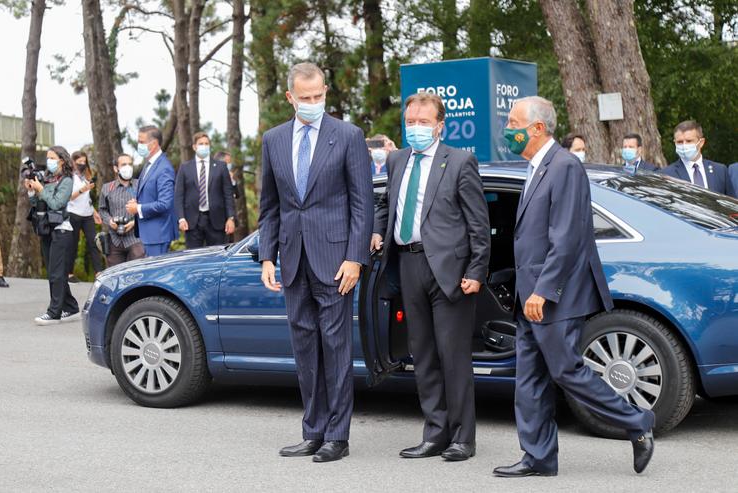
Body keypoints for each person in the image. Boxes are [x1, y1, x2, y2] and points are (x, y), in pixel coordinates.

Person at [492, 96, 655, 478]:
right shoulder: (536, 167)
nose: (508, 130)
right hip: (530, 293)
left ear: (536, 128)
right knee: (529, 377)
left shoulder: (563, 166)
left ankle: (637, 421)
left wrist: (542, 291)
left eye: (513, 123)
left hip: (552, 295)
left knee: (566, 370)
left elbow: (565, 238)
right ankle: (539, 458)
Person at [258, 62, 373, 463]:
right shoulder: (273, 140)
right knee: (304, 348)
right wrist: (266, 256)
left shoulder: (348, 136)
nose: (313, 103)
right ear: (290, 97)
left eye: (318, 96)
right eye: (305, 98)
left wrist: (355, 257)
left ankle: (337, 437)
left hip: (336, 261)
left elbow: (362, 204)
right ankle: (313, 431)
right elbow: (269, 206)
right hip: (292, 260)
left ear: (326, 91)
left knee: (336, 347)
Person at [371, 93, 490, 461]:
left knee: (452, 357)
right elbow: (385, 204)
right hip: (408, 265)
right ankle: (434, 433)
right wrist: (378, 230)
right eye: (411, 122)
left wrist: (476, 271)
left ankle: (462, 439)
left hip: (450, 271)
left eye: (424, 122)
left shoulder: (459, 161)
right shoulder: (396, 160)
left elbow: (478, 223)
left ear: (441, 125)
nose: (416, 129)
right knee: (421, 355)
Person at [25, 146, 79, 325]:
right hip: (47, 229)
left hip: (62, 230)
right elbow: (37, 203)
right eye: (48, 157)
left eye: (52, 157)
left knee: (56, 273)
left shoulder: (67, 180)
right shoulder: (47, 178)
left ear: (62, 160)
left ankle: (54, 312)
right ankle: (70, 307)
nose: (49, 161)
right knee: (56, 273)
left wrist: (41, 190)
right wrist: (32, 190)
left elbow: (56, 203)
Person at [175, 132, 235, 248]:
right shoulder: (185, 168)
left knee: (217, 256)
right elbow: (179, 195)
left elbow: (228, 194)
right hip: (192, 222)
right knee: (194, 258)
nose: (204, 146)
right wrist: (181, 218)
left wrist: (230, 218)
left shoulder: (221, 167)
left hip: (216, 221)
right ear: (194, 147)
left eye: (206, 144)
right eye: (201, 143)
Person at [125, 125, 177, 257]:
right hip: (149, 233)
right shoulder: (149, 164)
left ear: (153, 144)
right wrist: (137, 202)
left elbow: (165, 203)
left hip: (158, 234)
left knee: (157, 276)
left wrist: (139, 208)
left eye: (141, 142)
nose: (138, 145)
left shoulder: (164, 168)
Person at [660, 120, 731, 194]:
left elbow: (731, 203)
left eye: (689, 141)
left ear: (701, 143)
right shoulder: (666, 175)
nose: (684, 145)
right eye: (680, 142)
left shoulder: (720, 171)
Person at [99, 154, 145, 267]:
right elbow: (102, 210)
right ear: (116, 168)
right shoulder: (107, 188)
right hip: (114, 240)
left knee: (137, 273)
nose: (127, 167)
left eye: (130, 164)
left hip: (136, 239)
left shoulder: (140, 185)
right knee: (115, 276)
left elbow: (147, 208)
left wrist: (134, 223)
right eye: (124, 164)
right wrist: (110, 221)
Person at [66, 151, 104, 282]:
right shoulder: (69, 177)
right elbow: (68, 197)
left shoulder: (86, 176)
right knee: (72, 244)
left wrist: (94, 212)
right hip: (74, 213)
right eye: (79, 162)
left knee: (93, 242)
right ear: (73, 162)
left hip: (87, 214)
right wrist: (83, 189)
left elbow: (86, 198)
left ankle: (99, 272)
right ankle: (69, 273)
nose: (82, 164)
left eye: (84, 162)